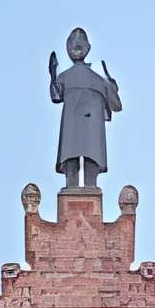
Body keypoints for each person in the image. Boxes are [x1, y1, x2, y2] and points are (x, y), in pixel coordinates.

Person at [48, 29, 121, 190]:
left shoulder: (98, 78)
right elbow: (56, 96)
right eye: (72, 42)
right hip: (72, 124)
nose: (77, 45)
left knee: (91, 159)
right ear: (67, 47)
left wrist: (110, 83)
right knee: (70, 159)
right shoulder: (65, 76)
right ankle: (71, 188)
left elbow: (116, 104)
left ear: (88, 47)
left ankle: (90, 189)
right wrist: (53, 74)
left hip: (92, 124)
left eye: (81, 42)